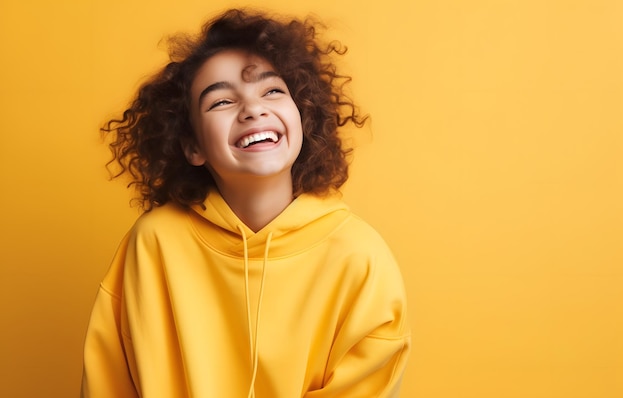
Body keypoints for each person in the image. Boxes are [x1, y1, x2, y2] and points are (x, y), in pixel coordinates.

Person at [81, 8, 410, 398]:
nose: (253, 109)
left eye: (272, 91)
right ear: (192, 146)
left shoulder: (360, 257)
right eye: (221, 102)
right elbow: (108, 384)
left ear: (301, 116)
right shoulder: (152, 244)